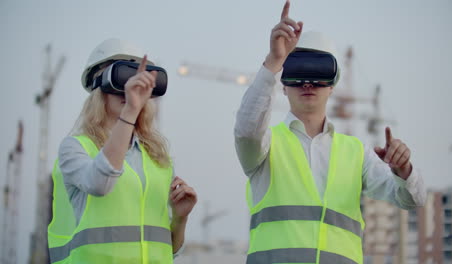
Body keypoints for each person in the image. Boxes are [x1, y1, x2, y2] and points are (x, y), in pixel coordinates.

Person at [234, 1, 426, 264]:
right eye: (298, 73)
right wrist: (274, 61)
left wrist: (404, 170)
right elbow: (246, 131)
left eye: (319, 73)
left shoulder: (357, 153)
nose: (308, 83)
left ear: (333, 85)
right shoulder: (265, 146)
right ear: (283, 86)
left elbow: (412, 199)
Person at [48, 38, 197, 263]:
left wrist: (180, 218)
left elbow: (170, 249)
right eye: (123, 78)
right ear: (99, 86)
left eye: (138, 80)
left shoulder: (158, 160)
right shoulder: (76, 148)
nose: (130, 88)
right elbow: (100, 183)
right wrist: (130, 111)